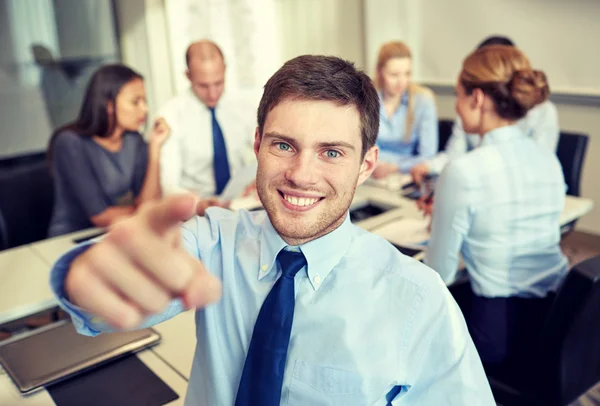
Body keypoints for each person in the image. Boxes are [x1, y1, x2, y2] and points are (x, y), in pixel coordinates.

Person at [50, 55, 494, 405]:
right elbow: (128, 281)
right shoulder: (213, 240)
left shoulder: (419, 299)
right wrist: (89, 278)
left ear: (367, 165)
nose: (301, 174)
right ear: (258, 144)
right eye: (284, 145)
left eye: (332, 152)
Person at [424, 45, 568, 375]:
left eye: (459, 95)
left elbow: (439, 275)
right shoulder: (548, 158)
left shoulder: (463, 171)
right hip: (555, 320)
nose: (457, 107)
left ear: (477, 98)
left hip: (498, 336)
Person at [411, 35, 560, 184]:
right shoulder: (469, 106)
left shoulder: (544, 113)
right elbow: (455, 154)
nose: (457, 106)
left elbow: (535, 167)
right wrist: (429, 167)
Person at [47, 64, 170, 237]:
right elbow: (101, 216)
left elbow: (151, 202)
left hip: (117, 234)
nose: (145, 109)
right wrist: (146, 210)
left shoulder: (134, 140)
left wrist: (155, 147)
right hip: (72, 240)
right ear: (108, 104)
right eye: (136, 102)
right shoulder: (70, 143)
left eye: (145, 101)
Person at [158, 40, 256, 205]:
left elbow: (266, 152)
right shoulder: (170, 115)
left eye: (218, 83)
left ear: (225, 69)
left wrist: (258, 181)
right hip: (194, 208)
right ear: (188, 76)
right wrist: (197, 203)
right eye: (203, 86)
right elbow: (168, 185)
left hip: (239, 202)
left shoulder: (244, 107)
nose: (212, 94)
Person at [371, 41, 438, 179]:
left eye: (407, 74)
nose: (402, 82)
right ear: (379, 72)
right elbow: (364, 149)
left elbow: (428, 155)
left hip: (406, 175)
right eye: (394, 75)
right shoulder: (367, 99)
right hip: (371, 173)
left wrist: (394, 167)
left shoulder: (423, 100)